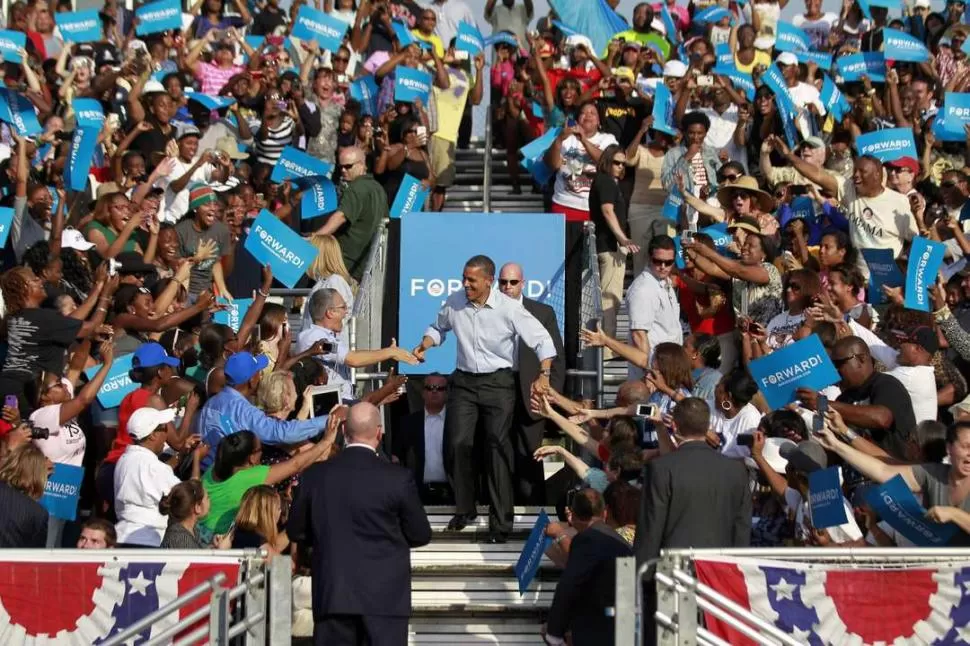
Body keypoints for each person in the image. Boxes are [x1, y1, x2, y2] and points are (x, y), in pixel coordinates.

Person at [411, 255, 557, 542]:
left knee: (496, 448)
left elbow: (542, 340)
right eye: (464, 278)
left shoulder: (509, 308)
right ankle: (465, 508)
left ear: (489, 282)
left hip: (498, 383)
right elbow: (438, 328)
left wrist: (544, 374)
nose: (466, 284)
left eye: (472, 280)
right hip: (464, 382)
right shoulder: (455, 302)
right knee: (457, 443)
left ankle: (501, 523)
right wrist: (424, 345)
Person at [287, 402, 432, 645]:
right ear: (379, 432)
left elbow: (296, 530)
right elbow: (420, 534)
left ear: (344, 432)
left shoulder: (315, 476)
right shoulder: (398, 478)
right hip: (385, 599)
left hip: (334, 593)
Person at [635, 397, 752, 564]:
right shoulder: (735, 470)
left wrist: (642, 575)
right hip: (722, 572)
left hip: (676, 572)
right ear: (708, 427)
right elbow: (742, 528)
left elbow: (651, 527)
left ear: (674, 426)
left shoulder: (661, 468)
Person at [497, 262, 565, 504]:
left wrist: (549, 394)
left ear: (522, 283)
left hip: (531, 394)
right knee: (497, 454)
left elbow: (556, 359)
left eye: (512, 282)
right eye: (503, 282)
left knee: (531, 455)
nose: (507, 287)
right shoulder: (486, 312)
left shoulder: (542, 313)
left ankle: (532, 511)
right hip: (497, 391)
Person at [196, 351, 332, 465]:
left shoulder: (212, 402)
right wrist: (330, 419)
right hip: (226, 480)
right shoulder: (243, 411)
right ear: (251, 380)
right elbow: (282, 433)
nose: (260, 376)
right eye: (258, 372)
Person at [797, 336, 916, 459]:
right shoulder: (843, 399)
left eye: (839, 364)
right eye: (832, 366)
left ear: (861, 359)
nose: (835, 370)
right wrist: (810, 409)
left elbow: (882, 418)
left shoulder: (886, 384)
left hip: (892, 470)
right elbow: (822, 436)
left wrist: (822, 403)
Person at [543, 488, 633, 646]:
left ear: (574, 516)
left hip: (599, 627)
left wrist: (554, 631)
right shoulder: (617, 540)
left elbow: (569, 585)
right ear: (604, 513)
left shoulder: (586, 540)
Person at [295, 288, 418, 400]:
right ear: (330, 312)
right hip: (327, 408)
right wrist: (390, 352)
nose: (346, 312)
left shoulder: (328, 337)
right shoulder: (313, 337)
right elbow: (353, 359)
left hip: (340, 403)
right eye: (343, 307)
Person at [113, 407, 187, 548]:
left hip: (121, 536)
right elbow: (186, 497)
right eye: (164, 428)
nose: (166, 433)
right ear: (153, 435)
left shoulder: (124, 460)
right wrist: (196, 460)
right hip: (147, 542)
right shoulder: (154, 467)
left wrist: (180, 455)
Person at [311, 146, 387, 281]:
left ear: (362, 165)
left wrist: (315, 238)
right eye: (341, 167)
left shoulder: (356, 188)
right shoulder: (378, 188)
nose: (343, 171)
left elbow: (340, 217)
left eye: (348, 166)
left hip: (347, 264)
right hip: (369, 265)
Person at [623, 236, 683, 378]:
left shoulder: (664, 282)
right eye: (658, 261)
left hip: (669, 368)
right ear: (649, 258)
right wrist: (650, 373)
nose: (663, 266)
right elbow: (638, 335)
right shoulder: (643, 289)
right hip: (653, 374)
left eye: (668, 263)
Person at [393, 373, 452, 505]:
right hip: (416, 493)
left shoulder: (457, 422)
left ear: (447, 393)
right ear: (423, 393)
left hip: (451, 493)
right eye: (430, 388)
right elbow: (396, 458)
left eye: (440, 388)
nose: (434, 391)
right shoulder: (408, 422)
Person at [0, 443, 50, 548]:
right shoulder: (37, 513)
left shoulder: (37, 513)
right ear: (39, 475)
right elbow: (35, 558)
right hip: (10, 563)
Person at [159, 479, 210, 549]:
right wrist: (222, 550)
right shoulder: (181, 539)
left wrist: (214, 547)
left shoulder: (192, 530)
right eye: (207, 498)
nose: (209, 501)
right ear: (197, 507)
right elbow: (195, 559)